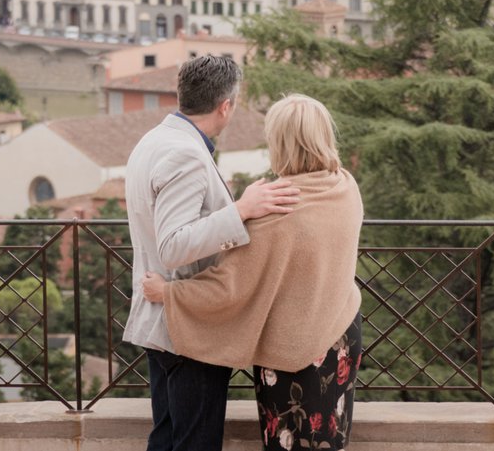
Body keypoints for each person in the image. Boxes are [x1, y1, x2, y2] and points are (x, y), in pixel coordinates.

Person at [144, 94, 364, 451]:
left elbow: (229, 289)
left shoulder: (275, 214)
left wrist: (168, 293)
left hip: (294, 354)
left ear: (280, 143)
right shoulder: (345, 187)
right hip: (342, 335)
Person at [124, 54, 300, 451]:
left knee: (168, 437)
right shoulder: (184, 154)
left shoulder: (152, 140)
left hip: (164, 317)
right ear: (226, 106)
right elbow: (173, 245)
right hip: (189, 325)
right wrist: (242, 209)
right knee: (195, 443)